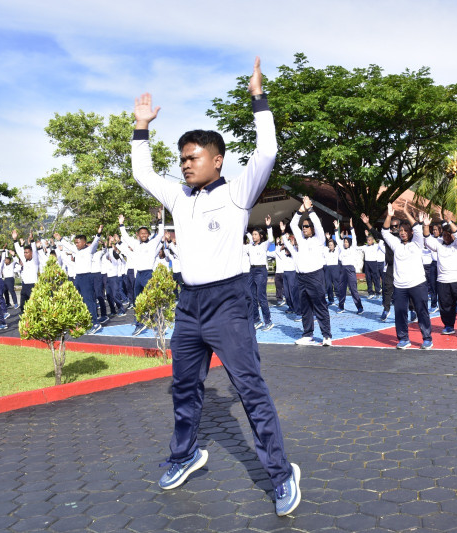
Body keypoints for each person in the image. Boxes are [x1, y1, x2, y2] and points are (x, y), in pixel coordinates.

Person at [130, 57, 300, 516]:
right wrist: (141, 129)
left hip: (228, 302)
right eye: (182, 158)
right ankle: (184, 455)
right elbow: (143, 174)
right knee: (184, 388)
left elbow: (267, 152)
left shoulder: (237, 192)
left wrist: (258, 99)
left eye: (193, 158)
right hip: (189, 305)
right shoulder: (178, 197)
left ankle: (281, 474)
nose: (185, 165)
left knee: (249, 389)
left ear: (217, 159)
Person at [379, 203, 433, 349]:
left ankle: (427, 338)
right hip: (400, 286)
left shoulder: (417, 243)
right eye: (401, 230)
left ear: (411, 232)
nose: (402, 233)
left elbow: (418, 229)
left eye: (405, 230)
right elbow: (384, 232)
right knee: (400, 313)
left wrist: (405, 212)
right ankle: (403, 339)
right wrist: (389, 215)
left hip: (418, 284)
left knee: (422, 312)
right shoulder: (396, 244)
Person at [286, 196, 332, 346]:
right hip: (301, 278)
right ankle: (308, 335)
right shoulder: (300, 239)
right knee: (305, 308)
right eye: (303, 226)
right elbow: (293, 224)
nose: (304, 228)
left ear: (312, 228)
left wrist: (310, 209)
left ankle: (326, 336)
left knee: (320, 306)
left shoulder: (319, 239)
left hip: (315, 276)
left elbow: (318, 225)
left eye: (306, 226)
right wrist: (301, 210)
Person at [246, 215, 274, 331]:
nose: (253, 236)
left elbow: (271, 239)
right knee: (252, 297)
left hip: (261, 271)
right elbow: (246, 234)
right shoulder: (250, 246)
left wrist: (269, 226)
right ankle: (257, 320)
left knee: (261, 297)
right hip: (251, 271)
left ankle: (268, 321)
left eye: (255, 234)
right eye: (252, 234)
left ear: (260, 236)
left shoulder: (264, 245)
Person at [335, 220, 364, 314]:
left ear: (350, 243)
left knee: (353, 289)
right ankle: (341, 307)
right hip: (342, 270)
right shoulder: (342, 249)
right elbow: (337, 240)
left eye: (347, 242)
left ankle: (359, 307)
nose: (345, 243)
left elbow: (354, 238)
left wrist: (351, 227)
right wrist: (336, 229)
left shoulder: (353, 248)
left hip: (350, 269)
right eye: (344, 242)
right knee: (341, 289)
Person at [13, 230, 40, 311]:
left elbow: (34, 250)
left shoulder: (35, 261)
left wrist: (32, 240)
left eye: (27, 252)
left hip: (33, 286)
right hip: (24, 286)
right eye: (24, 252)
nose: (25, 254)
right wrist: (15, 240)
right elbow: (18, 250)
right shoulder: (24, 261)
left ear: (31, 253)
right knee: (23, 307)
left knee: (34, 307)